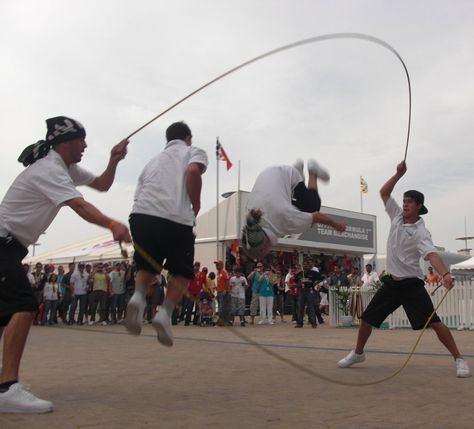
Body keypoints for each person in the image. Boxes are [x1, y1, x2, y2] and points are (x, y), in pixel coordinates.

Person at [0, 116, 131, 413]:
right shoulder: (49, 168)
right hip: (2, 244)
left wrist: (114, 160)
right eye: (81, 140)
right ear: (65, 141)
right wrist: (111, 224)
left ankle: (3, 384)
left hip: (9, 247)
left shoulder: (65, 168)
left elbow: (102, 184)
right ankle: (6, 388)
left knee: (4, 315)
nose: (85, 145)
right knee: (23, 306)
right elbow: (79, 205)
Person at [337, 161, 470, 378]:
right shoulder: (397, 216)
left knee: (434, 323)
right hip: (391, 282)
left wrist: (445, 273)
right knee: (367, 318)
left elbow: (432, 255)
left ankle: (459, 359)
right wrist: (398, 174)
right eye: (404, 201)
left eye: (409, 202)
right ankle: (358, 353)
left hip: (411, 285)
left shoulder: (421, 232)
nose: (405, 204)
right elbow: (383, 192)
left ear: (419, 206)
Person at [125, 121, 208, 347]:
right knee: (182, 271)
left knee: (147, 264)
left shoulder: (152, 162)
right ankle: (165, 313)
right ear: (188, 138)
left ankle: (139, 296)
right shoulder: (192, 151)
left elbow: (138, 192)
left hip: (141, 215)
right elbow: (193, 171)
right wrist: (196, 204)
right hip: (175, 217)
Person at [242, 159, 346, 259]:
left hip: (287, 176)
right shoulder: (250, 216)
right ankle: (297, 172)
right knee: (294, 205)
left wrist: (337, 226)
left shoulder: (286, 221)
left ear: (265, 246)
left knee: (312, 207)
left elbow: (317, 216)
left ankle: (312, 171)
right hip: (267, 174)